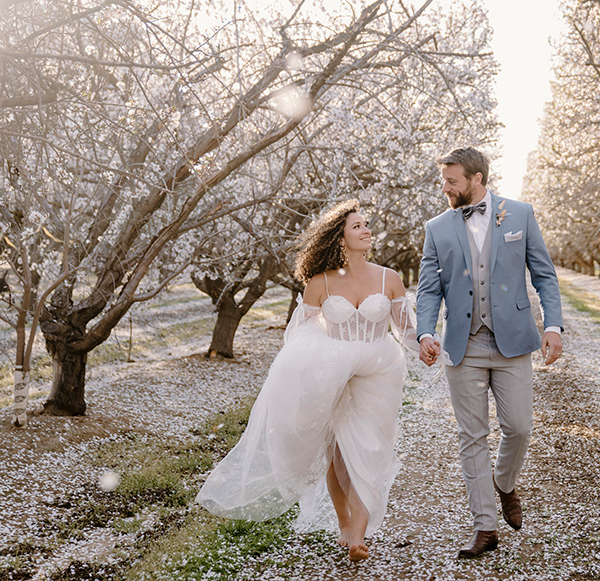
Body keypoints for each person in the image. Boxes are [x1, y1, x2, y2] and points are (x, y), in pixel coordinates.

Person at [195, 199, 419, 562]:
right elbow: (299, 334)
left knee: (369, 447)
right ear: (339, 238)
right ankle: (346, 525)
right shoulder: (319, 283)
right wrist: (308, 371)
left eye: (366, 225)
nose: (366, 230)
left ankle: (360, 533)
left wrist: (425, 345)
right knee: (336, 451)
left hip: (379, 373)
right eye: (357, 226)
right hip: (333, 372)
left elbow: (406, 330)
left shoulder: (388, 278)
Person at [416, 147, 563, 559]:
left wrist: (553, 326)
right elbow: (429, 288)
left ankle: (504, 481)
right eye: (444, 180)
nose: (445, 187)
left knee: (518, 427)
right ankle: (485, 526)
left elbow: (544, 275)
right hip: (463, 344)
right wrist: (425, 332)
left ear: (476, 179)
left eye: (452, 181)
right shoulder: (437, 227)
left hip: (513, 341)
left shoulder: (520, 214)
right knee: (472, 436)